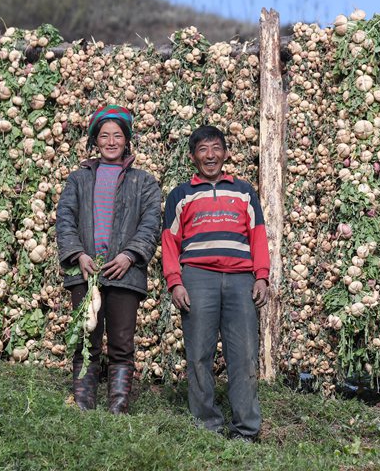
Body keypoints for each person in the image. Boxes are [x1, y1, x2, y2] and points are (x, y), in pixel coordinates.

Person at [162, 125, 270, 442]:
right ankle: (206, 425)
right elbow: (169, 242)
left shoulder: (244, 191)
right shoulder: (180, 195)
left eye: (216, 148)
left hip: (240, 280)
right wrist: (175, 282)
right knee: (198, 355)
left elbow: (258, 235)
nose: (210, 155)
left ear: (225, 153)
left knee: (245, 355)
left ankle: (246, 430)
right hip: (198, 278)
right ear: (193, 157)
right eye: (203, 149)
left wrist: (261, 275)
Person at [56, 105, 161, 414]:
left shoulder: (144, 181)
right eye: (104, 136)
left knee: (122, 343)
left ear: (127, 141)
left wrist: (130, 255)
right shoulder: (79, 180)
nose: (111, 142)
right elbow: (64, 219)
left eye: (118, 135)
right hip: (86, 271)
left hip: (125, 273)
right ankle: (84, 406)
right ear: (95, 141)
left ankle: (117, 409)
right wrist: (78, 255)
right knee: (85, 339)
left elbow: (151, 222)